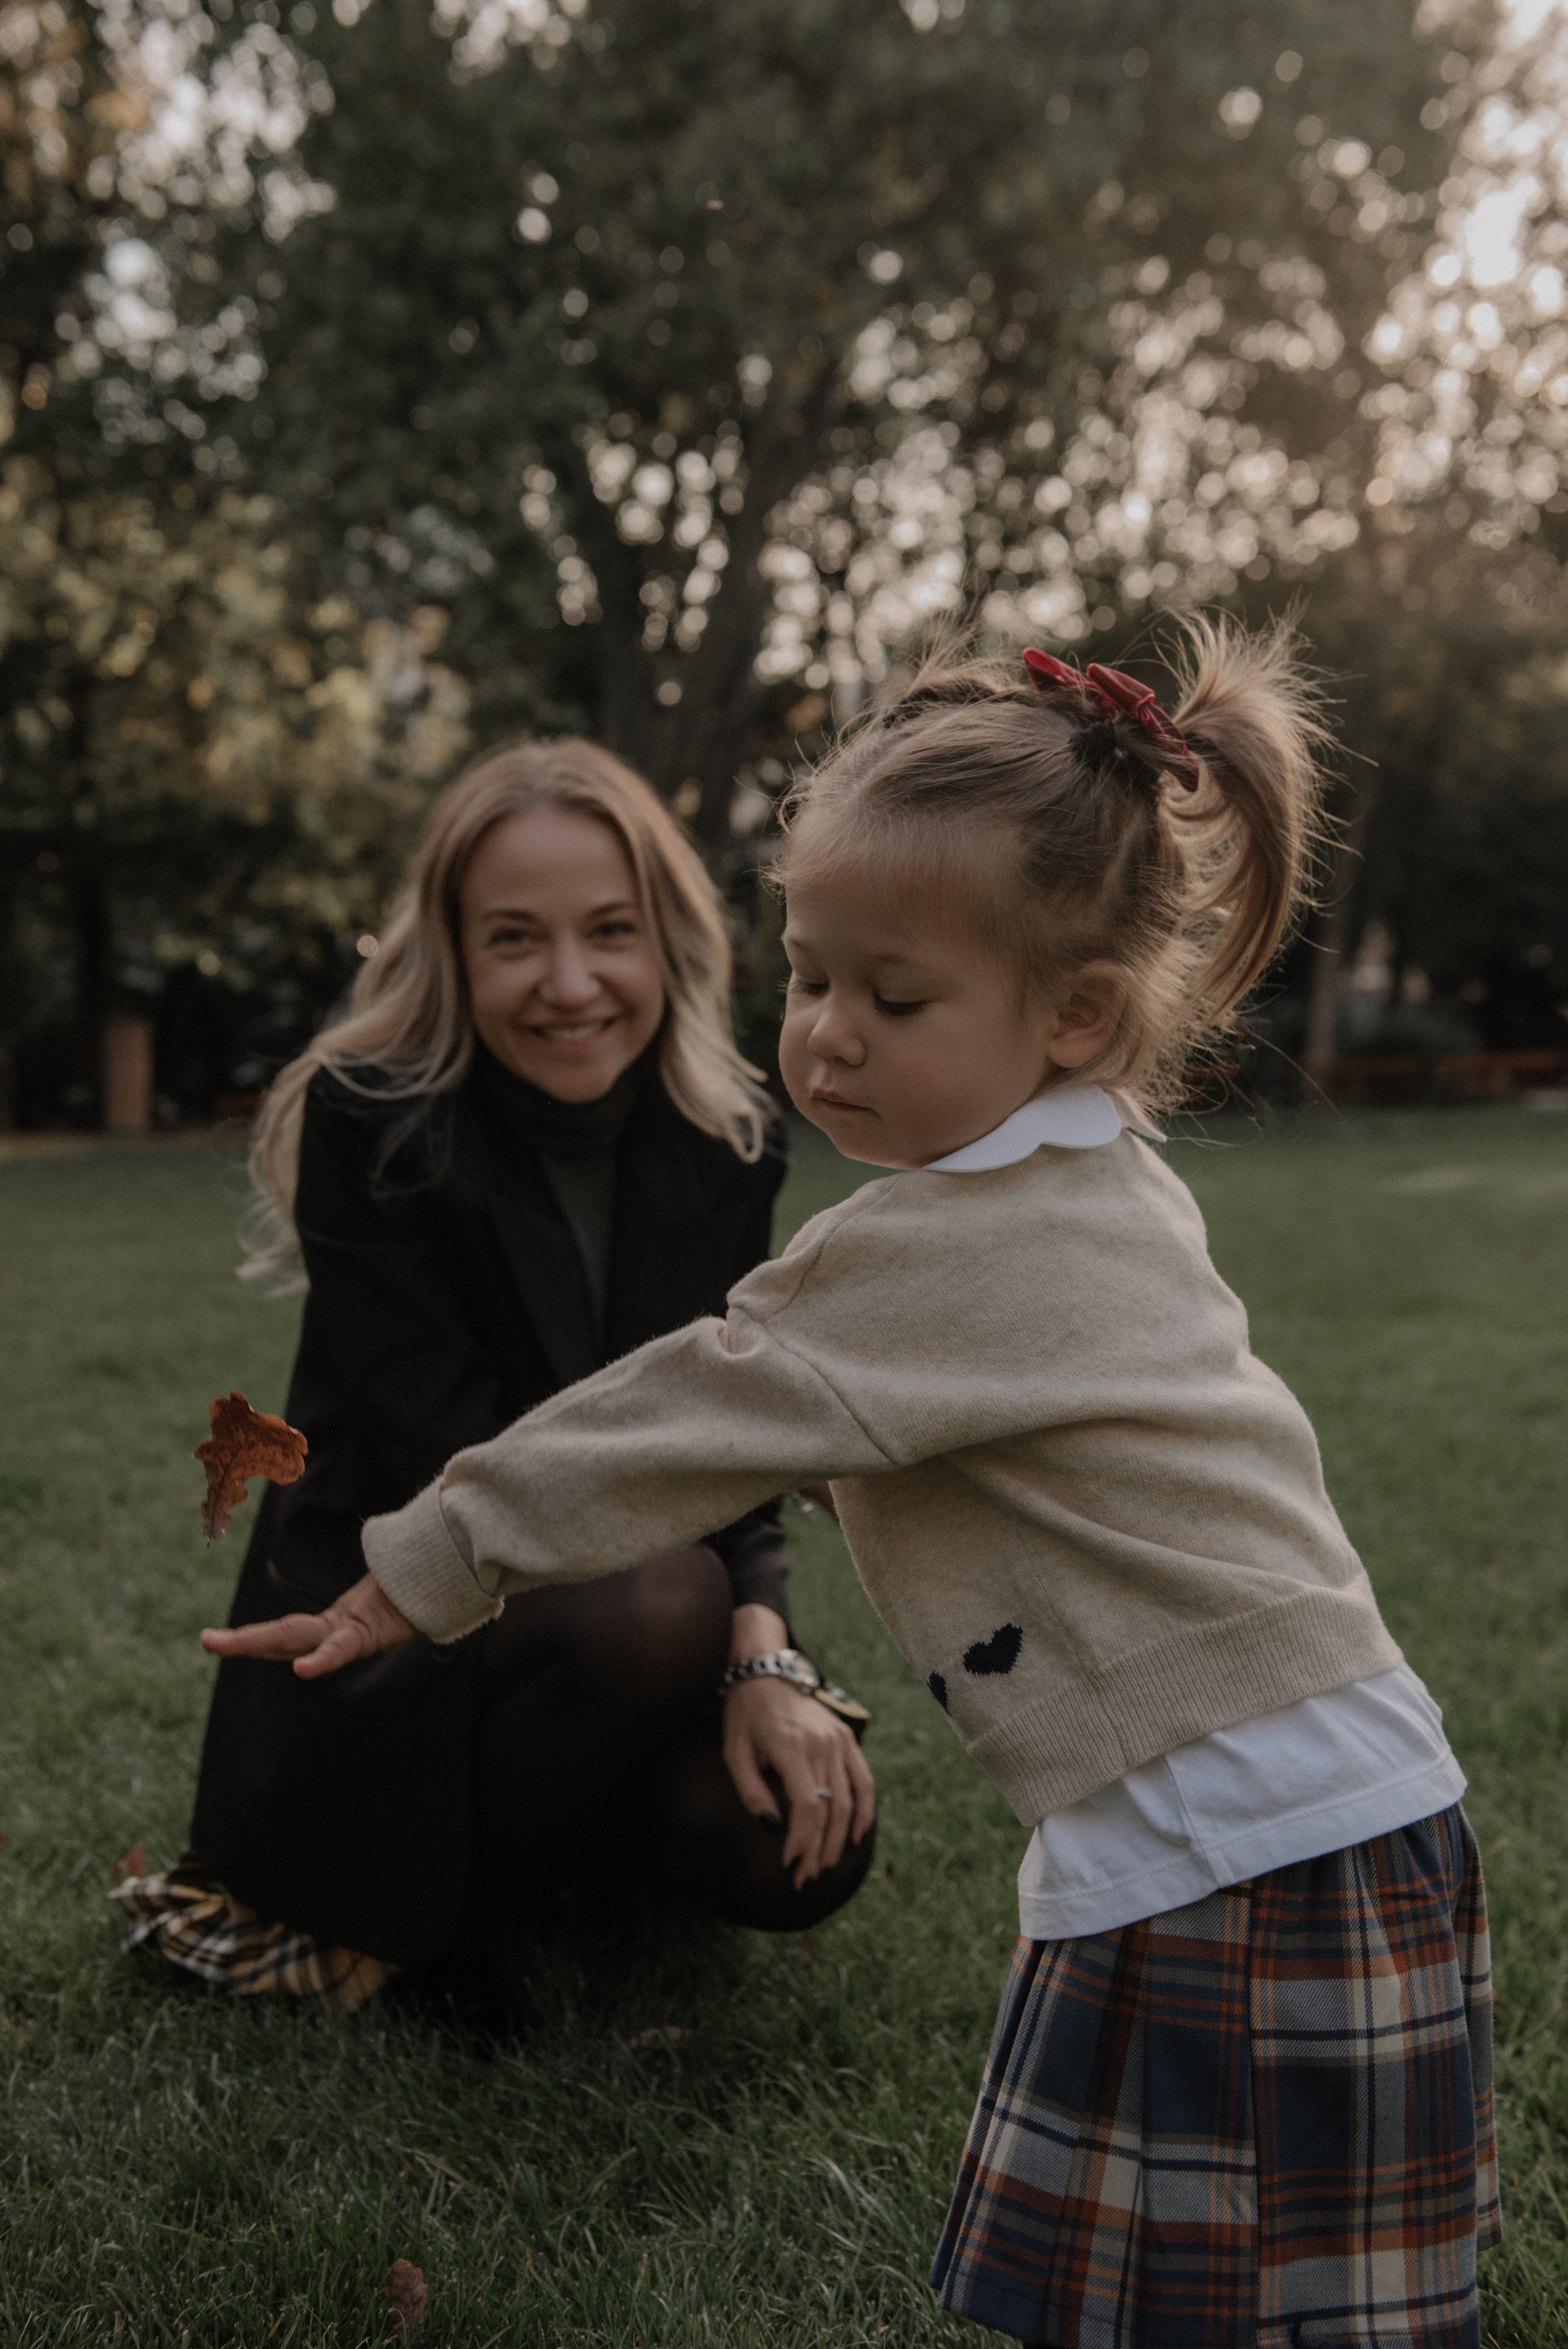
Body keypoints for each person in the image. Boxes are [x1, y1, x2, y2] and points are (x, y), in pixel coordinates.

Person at [206, 621, 1498, 2347]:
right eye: (811, 977)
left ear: (1078, 1012)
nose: (825, 1037)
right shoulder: (1107, 1174)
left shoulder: (933, 1252)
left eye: (894, 1000)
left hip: (1232, 1853)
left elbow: (689, 1410)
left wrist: (423, 1566)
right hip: (1318, 1812)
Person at [124, 740, 875, 2018]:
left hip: (638, 1605)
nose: (569, 983)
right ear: (453, 954)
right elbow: (459, 1457)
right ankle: (423, 1929)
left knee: (798, 1842)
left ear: (666, 943)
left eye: (609, 932)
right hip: (395, 1621)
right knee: (652, 1600)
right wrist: (706, 1607)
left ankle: (547, 1850)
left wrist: (764, 1658)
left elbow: (727, 1440)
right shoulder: (376, 1121)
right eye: (515, 939)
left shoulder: (724, 1134)